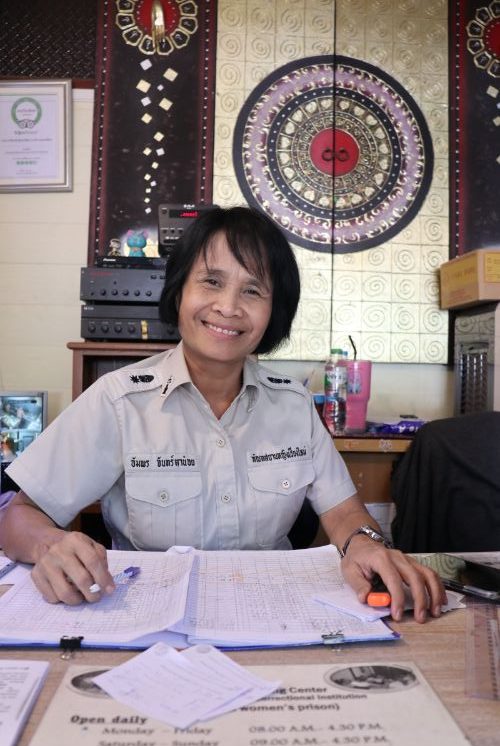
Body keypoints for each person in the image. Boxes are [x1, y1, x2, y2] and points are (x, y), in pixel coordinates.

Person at [0, 206, 445, 621]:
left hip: (275, 617)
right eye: (211, 282)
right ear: (179, 292)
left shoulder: (293, 405)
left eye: (252, 290)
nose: (229, 307)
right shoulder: (118, 401)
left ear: (274, 312)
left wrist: (364, 544)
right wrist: (50, 545)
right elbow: (18, 517)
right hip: (142, 619)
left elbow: (345, 514)